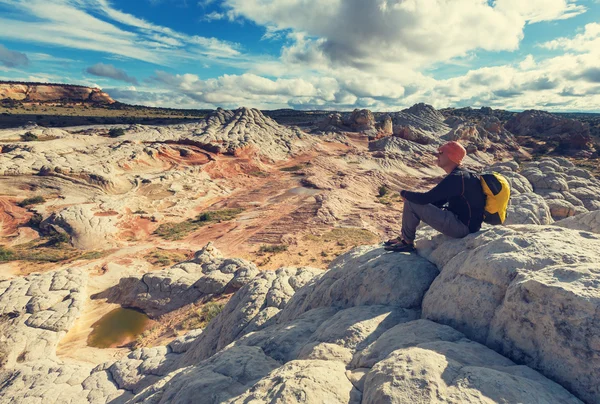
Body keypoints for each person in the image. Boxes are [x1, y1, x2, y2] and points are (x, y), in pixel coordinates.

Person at [384, 141, 485, 252]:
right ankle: (403, 237)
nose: (437, 155)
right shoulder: (462, 175)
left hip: (462, 228)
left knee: (411, 202)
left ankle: (407, 242)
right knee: (416, 202)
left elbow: (425, 198)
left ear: (450, 156)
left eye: (441, 152)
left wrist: (404, 194)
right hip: (468, 225)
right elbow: (436, 201)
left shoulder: (456, 177)